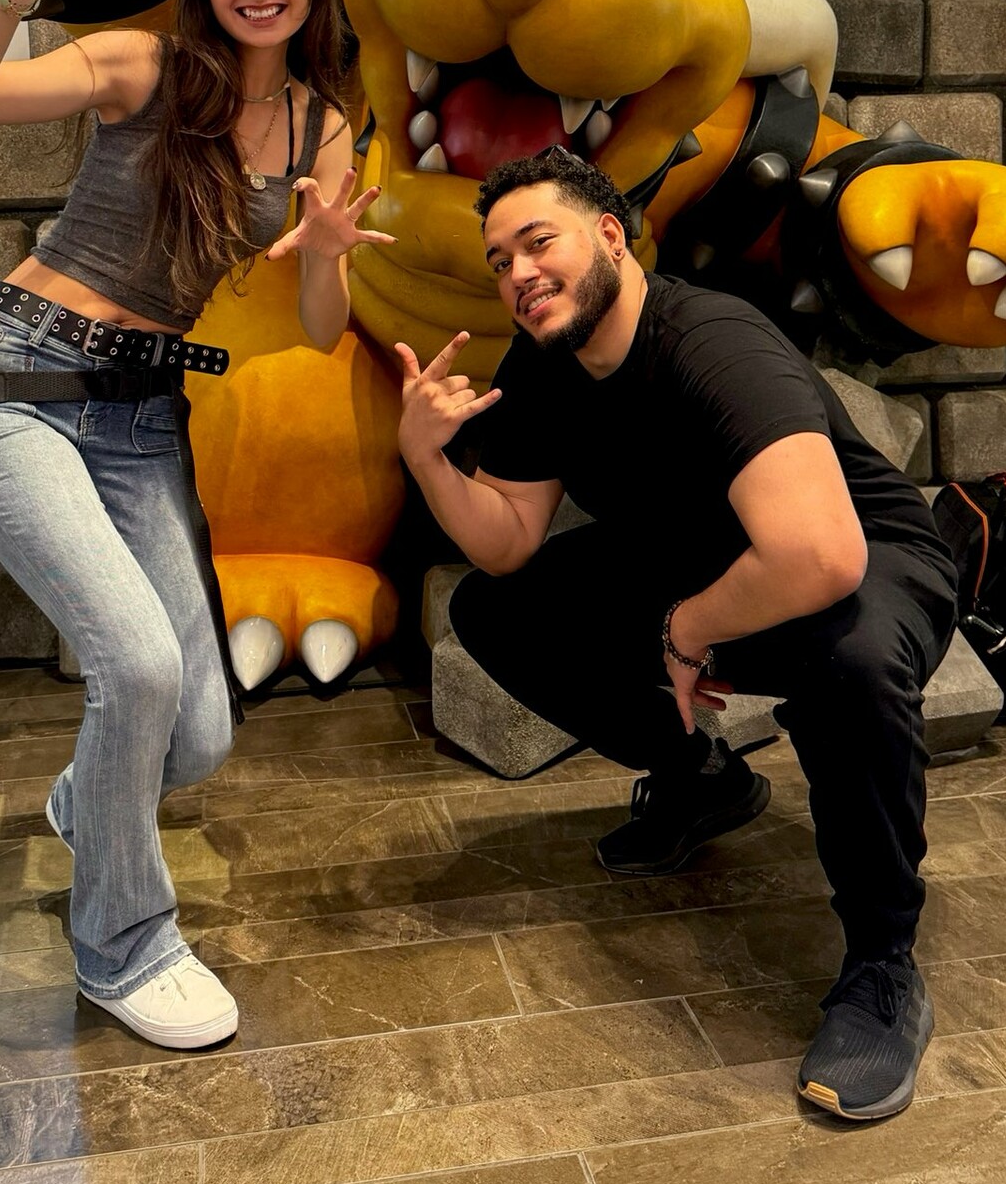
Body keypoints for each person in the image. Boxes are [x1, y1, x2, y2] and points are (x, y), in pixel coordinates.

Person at [0, 0, 391, 1049]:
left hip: (136, 415)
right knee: (134, 666)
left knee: (196, 735)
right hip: (11, 375)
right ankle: (122, 947)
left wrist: (324, 255)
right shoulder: (142, 67)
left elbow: (324, 326)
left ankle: (93, 804)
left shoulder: (325, 128)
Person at [395, 147, 958, 1123]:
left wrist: (685, 631)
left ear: (610, 236)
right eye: (500, 260)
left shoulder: (712, 341)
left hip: (866, 558)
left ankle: (881, 967)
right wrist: (425, 458)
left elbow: (820, 554)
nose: (519, 273)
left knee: (852, 665)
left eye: (538, 242)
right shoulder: (544, 364)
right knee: (494, 610)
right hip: (707, 560)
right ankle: (702, 781)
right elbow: (507, 541)